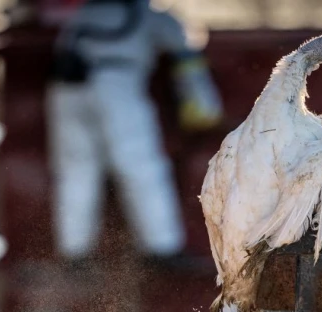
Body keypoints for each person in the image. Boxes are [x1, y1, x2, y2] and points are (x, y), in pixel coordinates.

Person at [46, 0, 223, 266]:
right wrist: (205, 105)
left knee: (76, 170)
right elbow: (187, 50)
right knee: (141, 166)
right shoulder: (150, 15)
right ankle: (162, 249)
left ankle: (74, 255)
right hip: (117, 86)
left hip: (66, 90)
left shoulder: (83, 13)